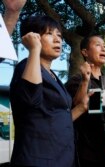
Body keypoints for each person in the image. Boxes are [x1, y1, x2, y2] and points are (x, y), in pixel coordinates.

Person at [9, 15, 89, 167]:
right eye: (49, 33)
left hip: (62, 158)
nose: (58, 39)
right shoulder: (26, 67)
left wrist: (81, 107)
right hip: (38, 160)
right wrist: (34, 50)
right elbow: (31, 99)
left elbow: (56, 118)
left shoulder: (54, 76)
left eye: (59, 35)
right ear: (34, 37)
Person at [65, 35, 105, 167]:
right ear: (85, 52)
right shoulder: (76, 81)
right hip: (91, 154)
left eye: (104, 46)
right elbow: (76, 107)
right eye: (98, 45)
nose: (104, 48)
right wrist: (85, 81)